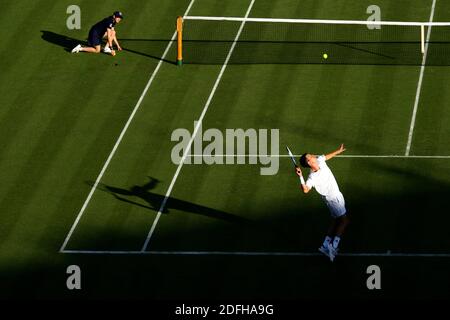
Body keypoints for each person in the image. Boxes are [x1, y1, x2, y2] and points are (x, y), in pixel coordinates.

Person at [295, 144, 349, 262]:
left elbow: (326, 157)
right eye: (311, 156)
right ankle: (333, 247)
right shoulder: (312, 177)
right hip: (334, 198)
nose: (314, 155)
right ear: (309, 162)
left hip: (331, 198)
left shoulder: (319, 161)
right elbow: (305, 190)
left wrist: (337, 151)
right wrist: (300, 176)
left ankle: (325, 245)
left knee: (335, 220)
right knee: (344, 221)